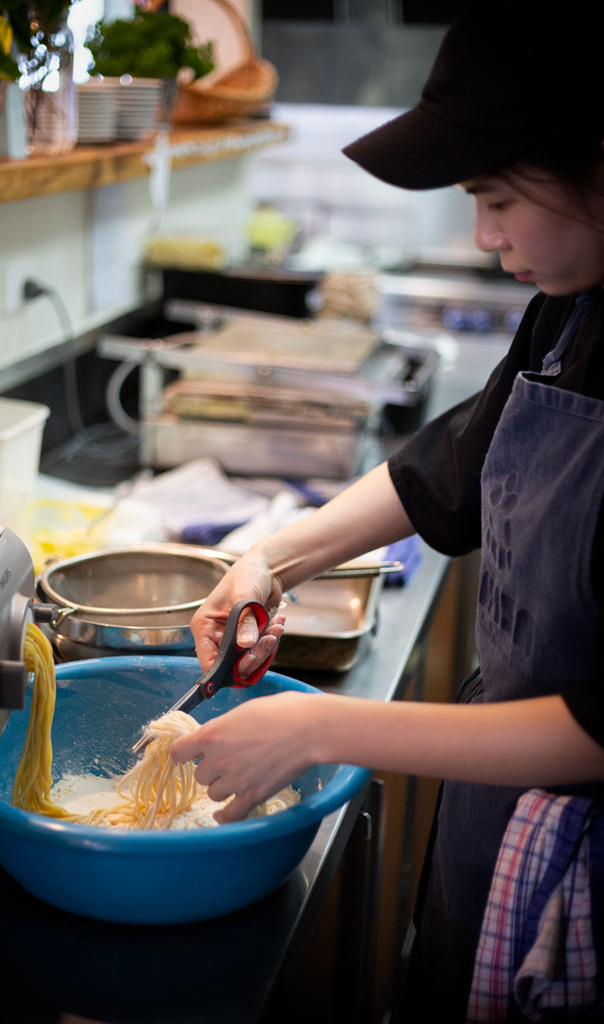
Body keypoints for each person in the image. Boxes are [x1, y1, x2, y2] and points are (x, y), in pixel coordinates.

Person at [170, 2, 604, 1019]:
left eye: (495, 198)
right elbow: (450, 466)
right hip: (496, 816)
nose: (483, 235)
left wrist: (320, 727)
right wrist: (271, 558)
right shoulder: (570, 306)